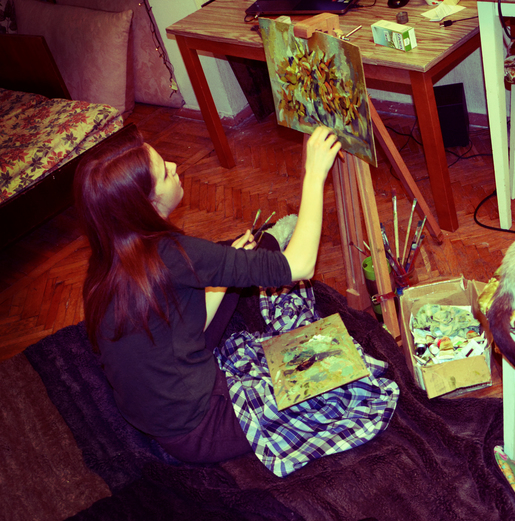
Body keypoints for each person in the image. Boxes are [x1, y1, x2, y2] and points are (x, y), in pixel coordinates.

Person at [74, 124, 341, 463]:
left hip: (157, 408)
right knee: (332, 368)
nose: (175, 166)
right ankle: (271, 242)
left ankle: (262, 246)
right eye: (164, 172)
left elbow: (180, 326)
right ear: (147, 204)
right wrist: (314, 175)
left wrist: (227, 270)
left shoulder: (108, 255)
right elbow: (301, 266)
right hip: (198, 430)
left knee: (231, 270)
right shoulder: (175, 254)